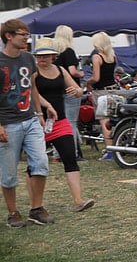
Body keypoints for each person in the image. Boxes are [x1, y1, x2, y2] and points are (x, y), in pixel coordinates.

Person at [0, 19, 56, 227]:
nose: (27, 38)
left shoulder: (28, 59)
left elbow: (32, 87)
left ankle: (36, 209)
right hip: (7, 122)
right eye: (22, 34)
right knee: (8, 173)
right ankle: (13, 213)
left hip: (30, 118)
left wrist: (40, 113)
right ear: (9, 36)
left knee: (41, 163)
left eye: (27, 34)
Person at [31, 38, 95, 212]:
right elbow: (32, 93)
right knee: (35, 164)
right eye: (39, 56)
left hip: (60, 122)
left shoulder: (60, 70)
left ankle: (78, 200)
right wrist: (46, 106)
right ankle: (35, 204)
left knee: (70, 157)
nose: (41, 59)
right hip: (37, 122)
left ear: (53, 56)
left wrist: (77, 91)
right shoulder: (33, 72)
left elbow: (78, 90)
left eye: (45, 56)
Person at [54, 25, 85, 160]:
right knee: (71, 121)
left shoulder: (54, 53)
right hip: (71, 88)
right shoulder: (69, 51)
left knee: (58, 121)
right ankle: (71, 153)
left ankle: (57, 153)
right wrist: (81, 74)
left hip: (57, 89)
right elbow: (72, 71)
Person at [85, 32, 116, 159]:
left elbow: (96, 78)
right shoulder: (113, 56)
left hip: (101, 91)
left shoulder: (97, 57)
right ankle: (116, 146)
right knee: (112, 120)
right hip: (113, 90)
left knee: (104, 122)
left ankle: (110, 151)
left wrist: (88, 81)